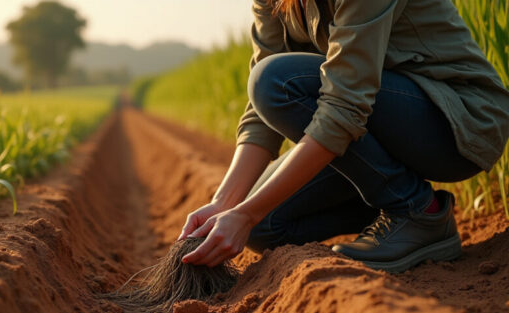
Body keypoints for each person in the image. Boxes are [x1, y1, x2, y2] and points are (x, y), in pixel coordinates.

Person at [178, 0, 509, 273]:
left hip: (457, 119)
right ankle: (387, 206)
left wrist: (246, 213)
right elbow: (260, 116)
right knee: (264, 226)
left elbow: (342, 106)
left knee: (275, 81)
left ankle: (416, 209)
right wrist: (227, 204)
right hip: (375, 118)